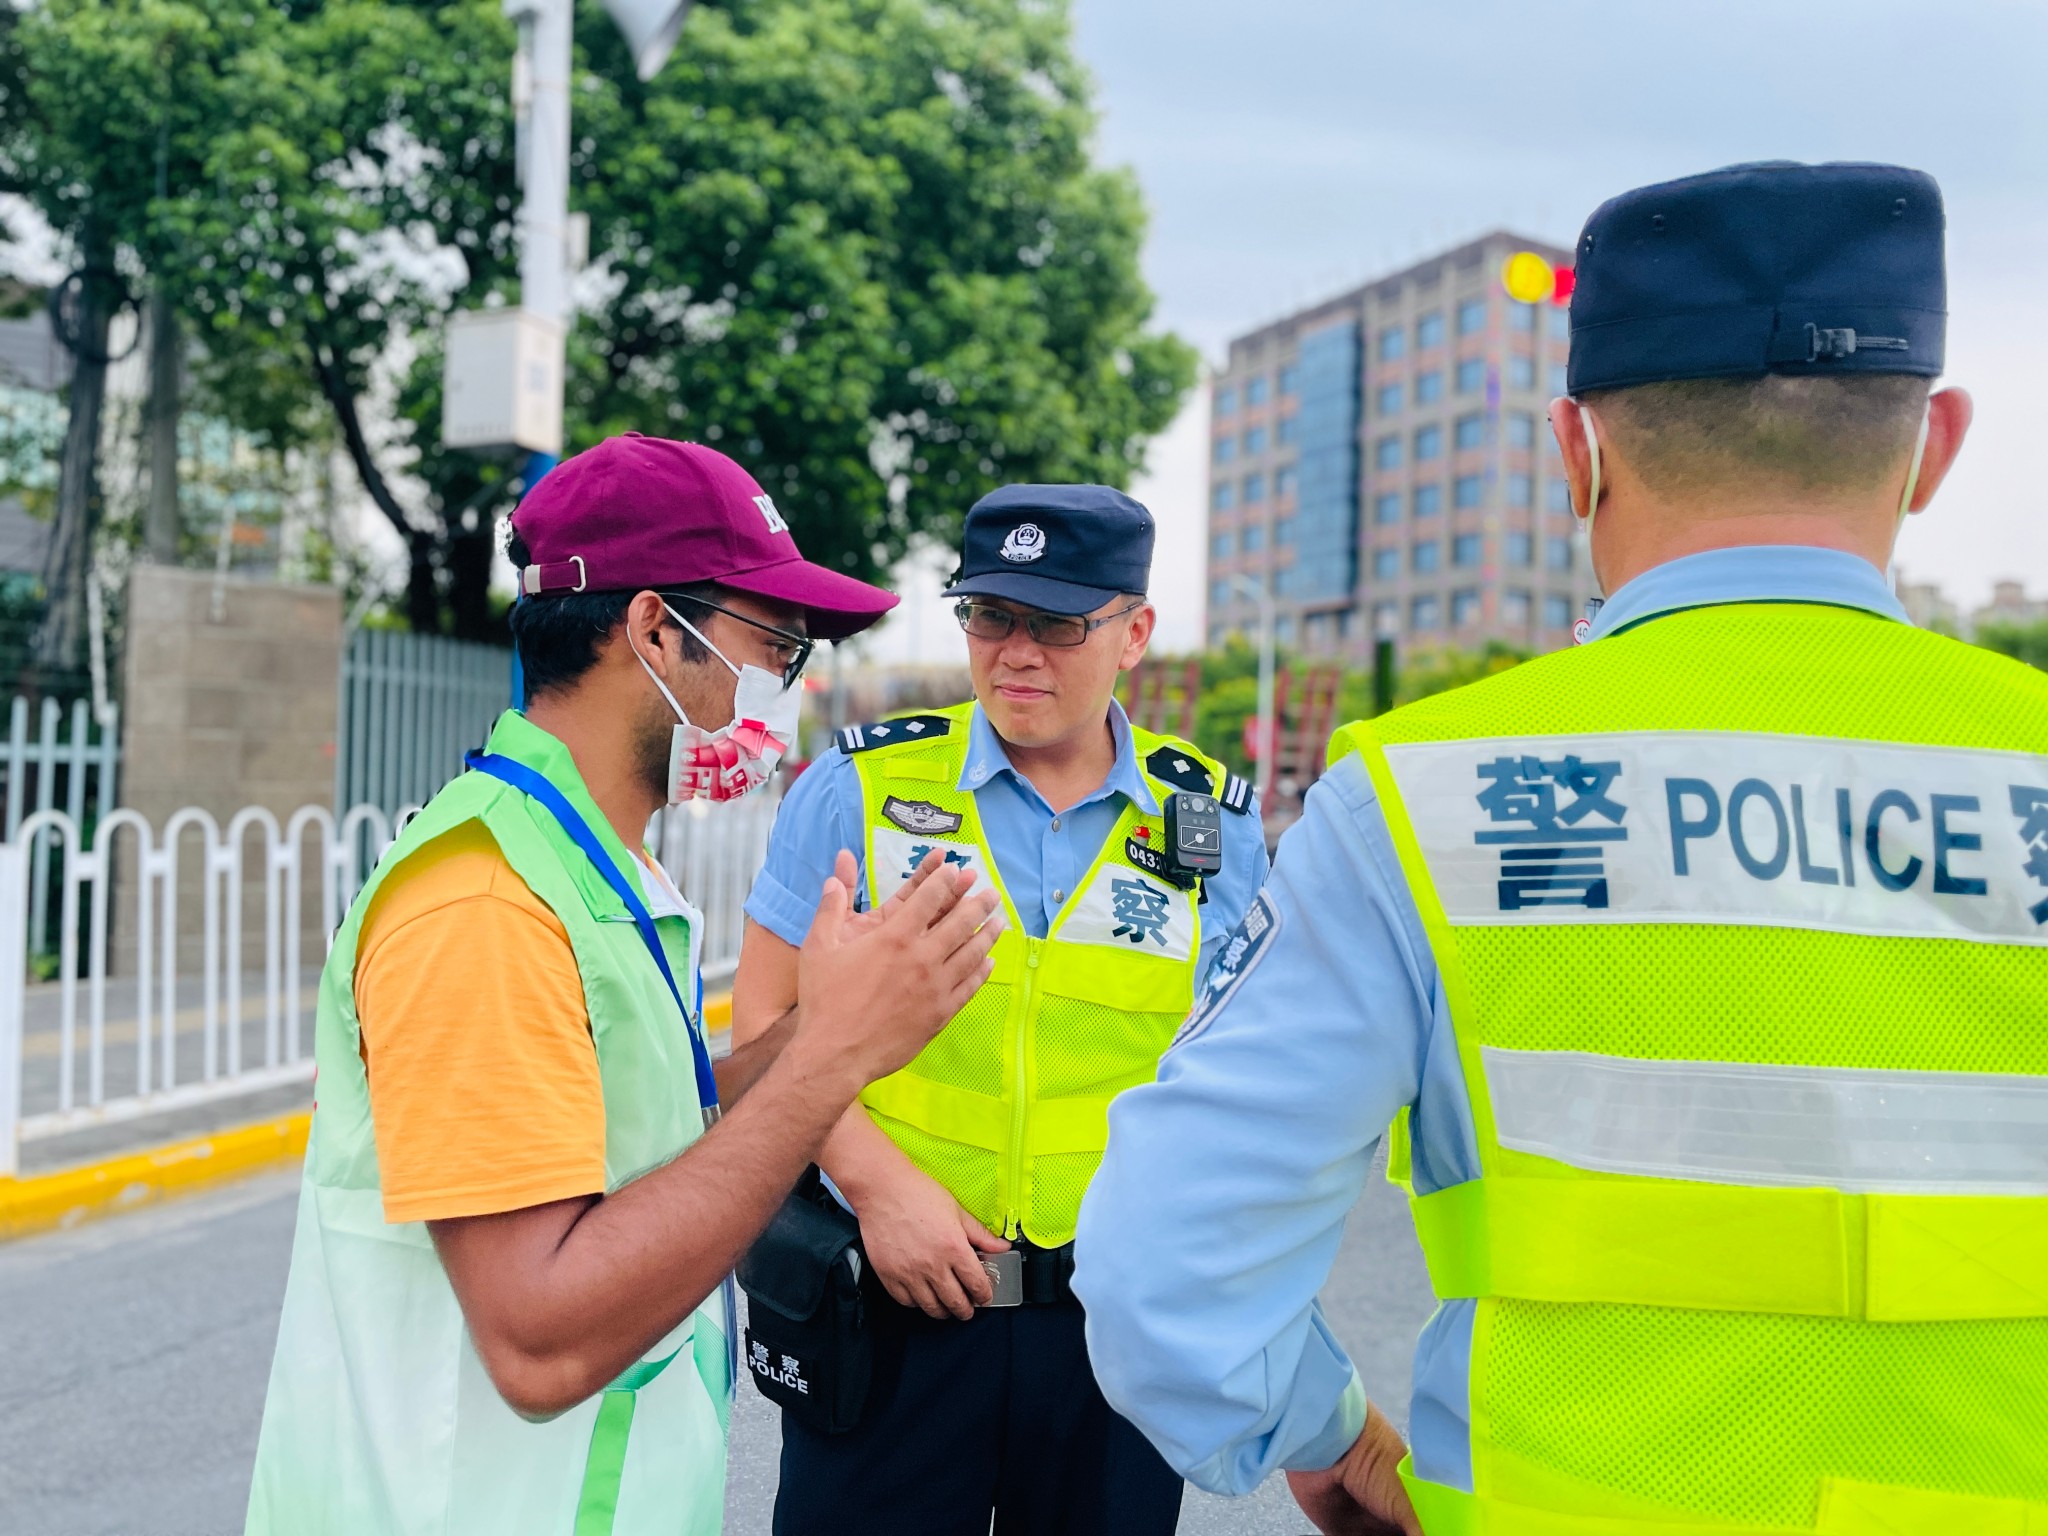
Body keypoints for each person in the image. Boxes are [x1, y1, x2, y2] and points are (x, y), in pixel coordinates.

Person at [1075, 160, 2048, 1536]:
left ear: (1574, 453)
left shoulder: (1422, 795)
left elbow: (1166, 1266)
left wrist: (1325, 1433)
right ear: (1934, 444)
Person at [245, 434, 1003, 1536]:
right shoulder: (485, 903)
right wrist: (832, 1061)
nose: (787, 691)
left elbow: (646, 1139)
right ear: (653, 630)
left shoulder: (596, 866)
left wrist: (831, 1022)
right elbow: (538, 1339)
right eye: (774, 648)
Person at [730, 484, 1266, 1535]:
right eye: (990, 615)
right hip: (888, 1306)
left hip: (1110, 1331)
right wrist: (879, 1189)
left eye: (1057, 624)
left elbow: (1241, 1080)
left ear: (1133, 634)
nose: (1016, 652)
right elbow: (758, 1038)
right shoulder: (857, 790)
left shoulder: (1208, 827)